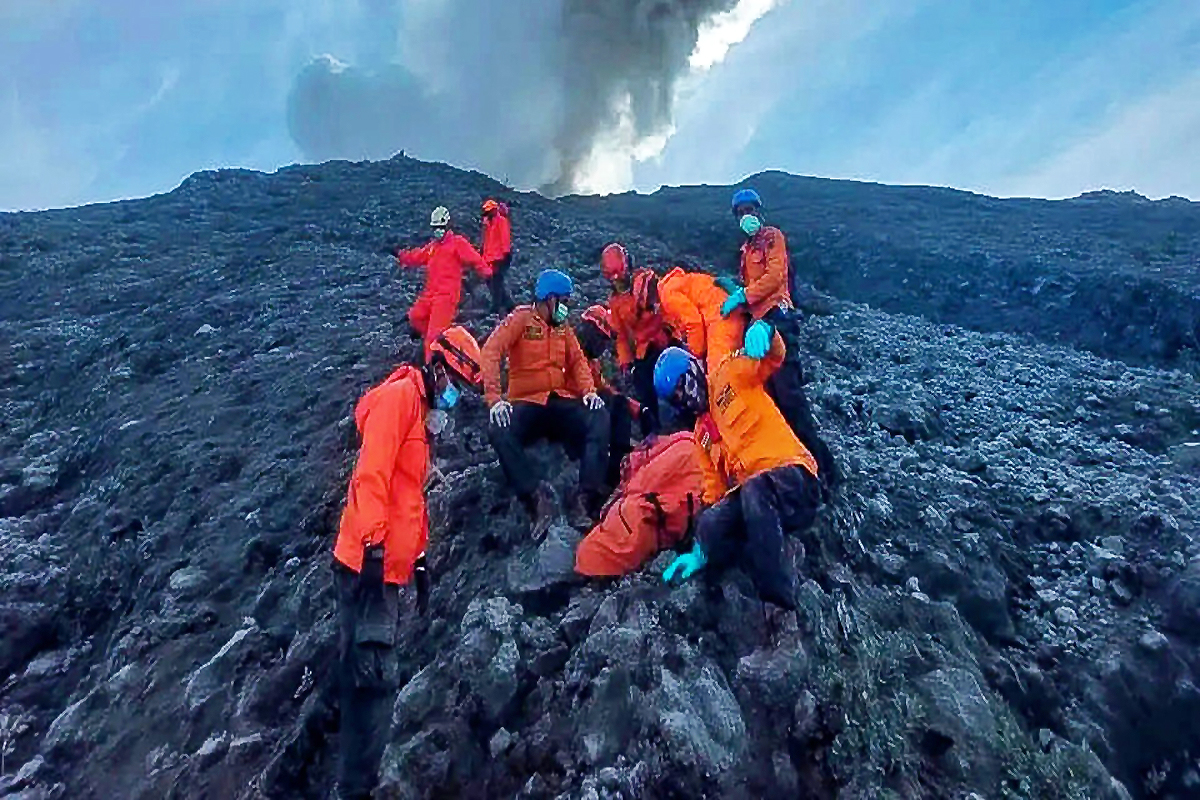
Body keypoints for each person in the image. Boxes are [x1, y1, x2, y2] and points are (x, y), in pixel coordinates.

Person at [331, 326, 483, 799]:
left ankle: (318, 765)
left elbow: (407, 499)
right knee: (373, 686)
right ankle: (354, 787)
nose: (457, 396)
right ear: (437, 367)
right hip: (367, 569)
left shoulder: (419, 413)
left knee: (357, 672)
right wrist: (376, 552)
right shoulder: (399, 400)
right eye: (456, 382)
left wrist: (417, 558)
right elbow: (370, 476)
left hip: (386, 570)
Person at [653, 341, 821, 611]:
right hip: (762, 502)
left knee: (755, 491)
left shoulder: (729, 373)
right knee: (710, 521)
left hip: (795, 478)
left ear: (695, 367)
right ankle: (741, 557)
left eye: (685, 384)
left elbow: (770, 358)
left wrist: (767, 334)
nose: (686, 396)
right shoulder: (701, 434)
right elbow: (714, 491)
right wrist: (701, 545)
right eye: (677, 396)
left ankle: (777, 600)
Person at [718, 188, 838, 491]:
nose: (747, 216)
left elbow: (774, 278)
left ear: (759, 210)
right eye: (741, 212)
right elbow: (754, 287)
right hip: (759, 325)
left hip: (779, 319)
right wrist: (737, 292)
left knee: (790, 397)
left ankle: (824, 473)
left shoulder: (773, 238)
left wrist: (743, 294)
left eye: (750, 210)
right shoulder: (745, 252)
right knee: (773, 398)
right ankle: (793, 468)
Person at [482, 269, 609, 535]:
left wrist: (588, 391)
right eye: (564, 300)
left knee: (599, 415)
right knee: (498, 429)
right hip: (526, 404)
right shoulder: (521, 319)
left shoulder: (564, 328)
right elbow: (491, 351)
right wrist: (495, 400)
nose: (567, 307)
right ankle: (535, 498)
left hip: (558, 402)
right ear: (549, 299)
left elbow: (577, 361)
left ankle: (585, 495)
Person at [575, 428, 705, 578]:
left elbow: (637, 459)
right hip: (639, 515)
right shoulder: (692, 449)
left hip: (634, 509)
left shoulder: (685, 439)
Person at [395, 206, 491, 360]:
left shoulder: (457, 243)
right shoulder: (433, 247)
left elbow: (475, 258)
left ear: (447, 226)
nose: (437, 231)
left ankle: (433, 369)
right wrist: (401, 255)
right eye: (434, 228)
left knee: (432, 338)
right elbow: (418, 256)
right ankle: (443, 342)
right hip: (430, 294)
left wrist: (487, 273)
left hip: (446, 296)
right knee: (415, 317)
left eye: (440, 227)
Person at [602, 243, 671, 435]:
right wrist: (625, 361)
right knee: (643, 389)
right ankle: (654, 431)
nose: (618, 282)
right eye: (614, 279)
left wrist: (647, 298)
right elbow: (621, 336)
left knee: (678, 377)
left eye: (620, 276)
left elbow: (658, 301)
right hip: (644, 349)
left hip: (664, 338)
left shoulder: (645, 280)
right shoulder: (615, 303)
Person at [576, 304, 641, 489]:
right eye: (601, 339)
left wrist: (633, 406)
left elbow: (602, 387)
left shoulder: (591, 362)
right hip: (570, 413)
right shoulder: (568, 352)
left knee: (617, 404)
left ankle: (616, 469)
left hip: (584, 408)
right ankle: (597, 483)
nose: (603, 347)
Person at [481, 198, 514, 314]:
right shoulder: (489, 224)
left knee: (496, 282)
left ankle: (496, 307)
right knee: (493, 282)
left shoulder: (501, 221)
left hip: (499, 257)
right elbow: (488, 242)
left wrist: (506, 254)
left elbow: (504, 238)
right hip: (491, 258)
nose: (487, 214)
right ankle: (509, 305)